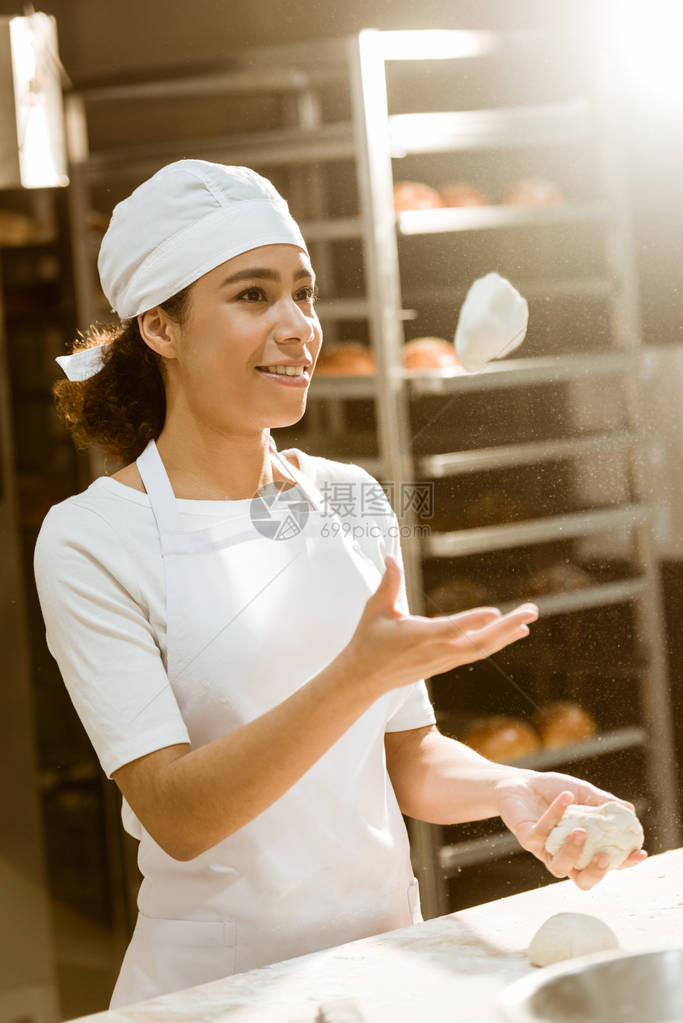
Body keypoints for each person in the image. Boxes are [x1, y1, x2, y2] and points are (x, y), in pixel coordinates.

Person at [33, 160, 646, 1009]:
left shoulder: (349, 498)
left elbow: (406, 754)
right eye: (252, 296)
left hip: (383, 968)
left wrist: (509, 789)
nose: (297, 327)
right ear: (162, 328)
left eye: (305, 294)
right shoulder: (92, 538)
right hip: (220, 991)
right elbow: (177, 812)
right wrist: (356, 672)